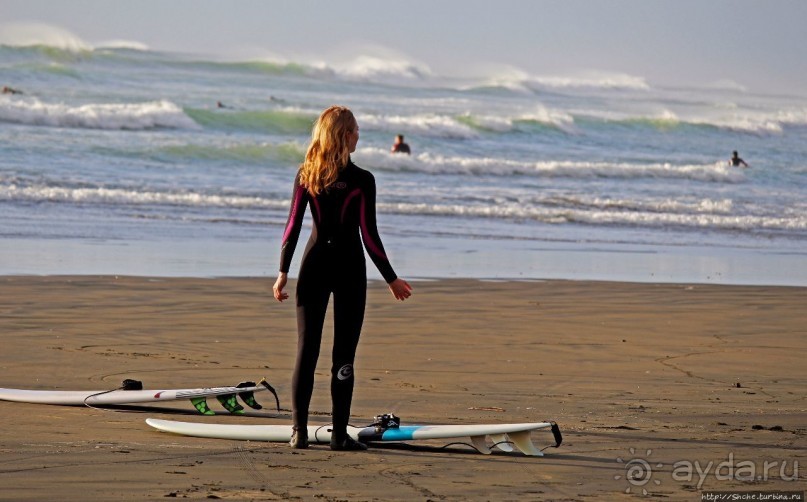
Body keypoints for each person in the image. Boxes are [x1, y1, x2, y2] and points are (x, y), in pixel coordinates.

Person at [273, 105, 412, 451]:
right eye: (356, 130)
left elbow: (291, 228)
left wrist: (283, 272)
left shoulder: (307, 173)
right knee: (343, 355)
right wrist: (391, 279)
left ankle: (299, 432)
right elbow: (370, 235)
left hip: (313, 266)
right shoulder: (363, 180)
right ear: (345, 135)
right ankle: (337, 435)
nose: (359, 135)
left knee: (307, 350)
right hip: (350, 269)